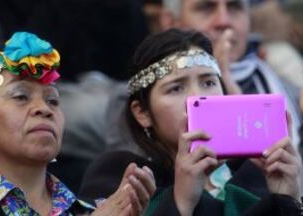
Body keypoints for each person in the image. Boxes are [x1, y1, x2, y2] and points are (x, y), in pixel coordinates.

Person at [80, 29, 302, 215]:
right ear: (142, 113)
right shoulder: (120, 176)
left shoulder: (256, 172)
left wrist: (286, 199)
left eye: (208, 83)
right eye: (176, 88)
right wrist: (181, 201)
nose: (197, 98)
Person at [0, 32, 156, 215]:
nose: (44, 109)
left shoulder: (99, 209)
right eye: (21, 97)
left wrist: (181, 196)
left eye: (53, 100)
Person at [160, 0, 302, 148]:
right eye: (206, 7)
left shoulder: (291, 91)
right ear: (171, 22)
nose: (223, 21)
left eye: (234, 7)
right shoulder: (154, 97)